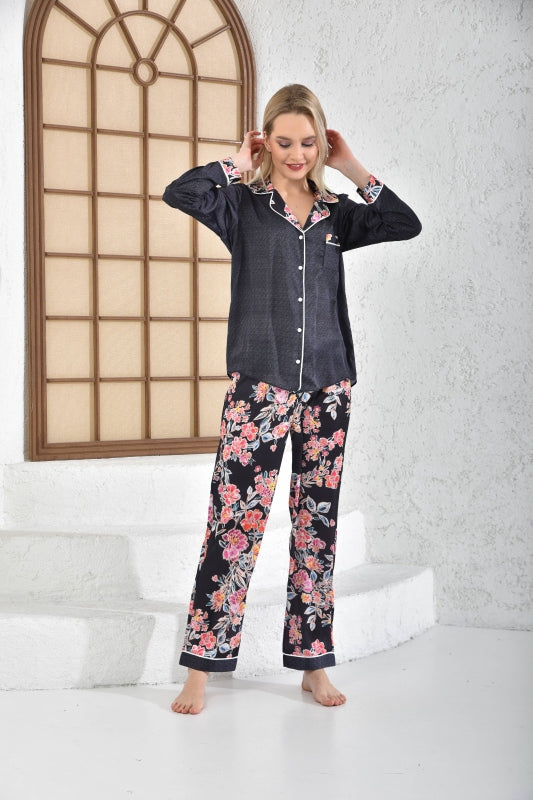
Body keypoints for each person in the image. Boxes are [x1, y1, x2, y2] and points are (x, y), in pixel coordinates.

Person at [163, 84, 421, 714]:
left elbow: (403, 223)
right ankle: (200, 667)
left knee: (317, 526)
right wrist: (235, 162)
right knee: (234, 524)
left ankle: (313, 663)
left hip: (328, 387)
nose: (297, 153)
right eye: (283, 142)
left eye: (308, 143)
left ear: (321, 144)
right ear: (266, 141)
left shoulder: (337, 214)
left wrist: (352, 167)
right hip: (259, 385)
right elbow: (181, 193)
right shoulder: (240, 206)